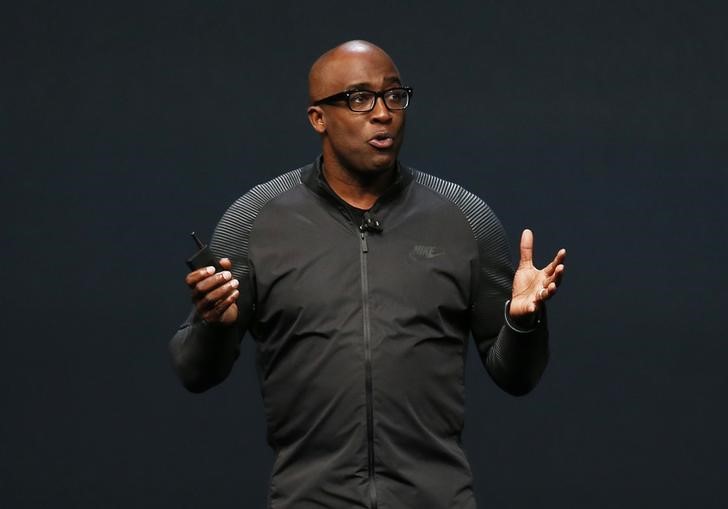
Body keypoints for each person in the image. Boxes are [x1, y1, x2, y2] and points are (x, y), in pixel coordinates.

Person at [169, 40, 566, 509]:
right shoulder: (253, 222)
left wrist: (523, 320)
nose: (383, 113)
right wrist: (213, 324)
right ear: (319, 118)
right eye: (359, 98)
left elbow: (515, 376)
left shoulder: (463, 218)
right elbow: (195, 372)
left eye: (394, 96)